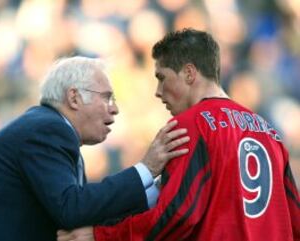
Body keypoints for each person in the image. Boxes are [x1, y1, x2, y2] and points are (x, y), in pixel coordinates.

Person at [57, 29, 300, 241]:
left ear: (189, 73)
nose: (158, 92)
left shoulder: (191, 126)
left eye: (162, 78)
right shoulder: (270, 133)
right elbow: (295, 222)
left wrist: (102, 235)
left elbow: (178, 215)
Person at [0, 57, 191, 241]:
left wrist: (157, 192)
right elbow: (72, 209)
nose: (114, 109)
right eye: (106, 97)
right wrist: (146, 169)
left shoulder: (47, 129)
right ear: (74, 98)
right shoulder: (47, 130)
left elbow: (80, 213)